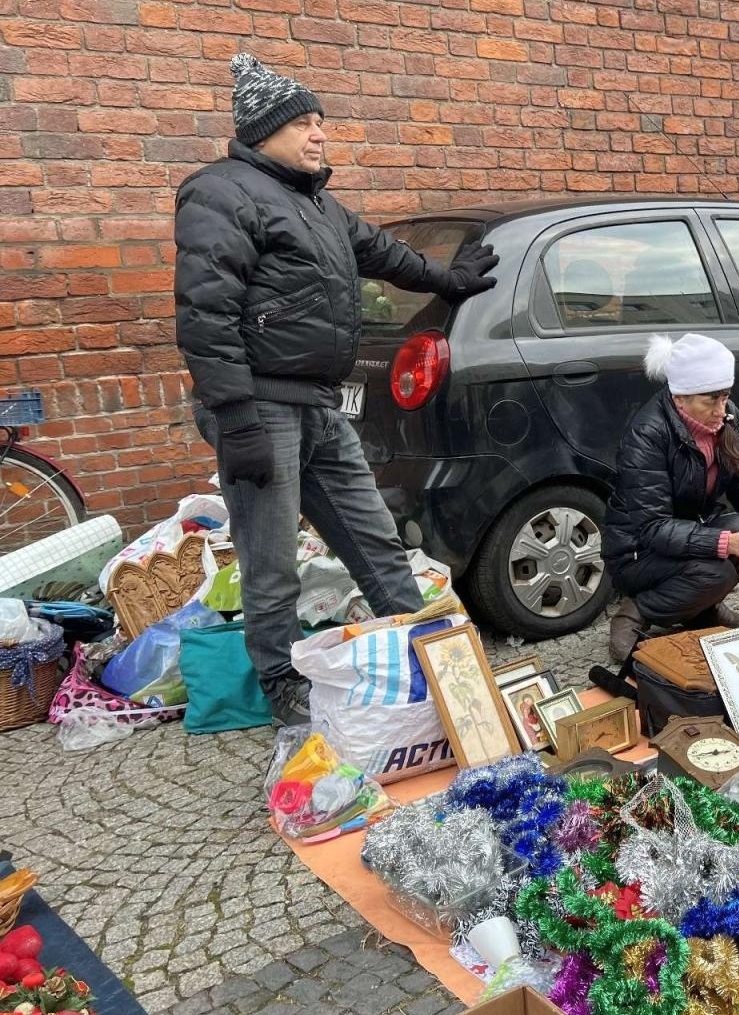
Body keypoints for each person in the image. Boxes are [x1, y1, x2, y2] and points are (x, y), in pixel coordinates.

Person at [174, 54, 500, 726]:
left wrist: (448, 280)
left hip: (319, 405)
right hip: (260, 407)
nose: (319, 134)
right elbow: (205, 313)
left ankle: (432, 663)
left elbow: (381, 252)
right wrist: (235, 417)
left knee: (376, 541)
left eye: (320, 121)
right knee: (272, 566)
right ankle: (284, 692)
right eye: (303, 123)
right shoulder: (219, 194)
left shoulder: (316, 202)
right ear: (263, 130)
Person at [603, 333, 739, 662]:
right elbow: (653, 527)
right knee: (718, 571)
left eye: (725, 397)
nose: (721, 410)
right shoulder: (647, 433)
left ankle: (702, 610)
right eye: (710, 400)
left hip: (685, 533)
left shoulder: (725, 419)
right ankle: (636, 612)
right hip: (637, 552)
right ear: (680, 397)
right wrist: (725, 542)